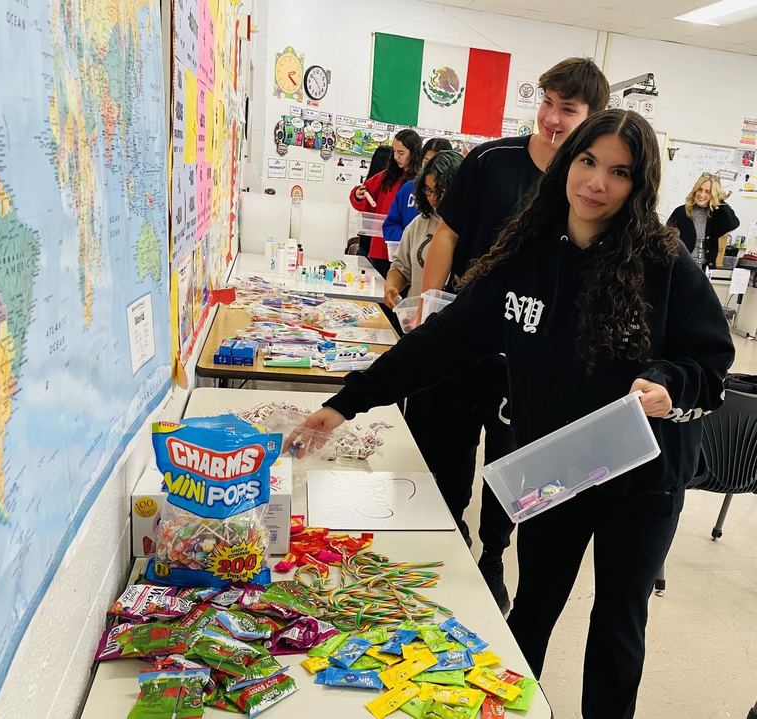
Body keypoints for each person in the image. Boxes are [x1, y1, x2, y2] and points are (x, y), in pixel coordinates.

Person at [288, 110, 735, 719]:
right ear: (567, 161)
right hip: (557, 467)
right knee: (533, 607)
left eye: (619, 172)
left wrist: (665, 384)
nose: (597, 182)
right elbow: (444, 341)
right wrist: (348, 401)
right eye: (587, 161)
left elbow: (710, 369)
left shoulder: (666, 263)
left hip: (643, 478)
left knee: (617, 624)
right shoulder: (526, 253)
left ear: (640, 184)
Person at [415, 57, 610, 611]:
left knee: (511, 467)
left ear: (591, 117)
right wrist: (431, 314)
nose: (550, 118)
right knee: (445, 456)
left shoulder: (587, 187)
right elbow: (446, 238)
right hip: (464, 342)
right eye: (546, 103)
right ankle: (447, 539)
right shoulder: (490, 160)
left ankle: (493, 556)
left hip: (530, 361)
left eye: (566, 110)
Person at [384, 150, 462, 308]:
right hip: (417, 319)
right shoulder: (419, 223)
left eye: (440, 191)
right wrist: (392, 287)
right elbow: (400, 268)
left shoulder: (473, 228)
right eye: (428, 190)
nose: (433, 198)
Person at [349, 129, 423, 276]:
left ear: (414, 153)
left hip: (407, 250)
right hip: (380, 248)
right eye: (394, 152)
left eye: (401, 153)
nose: (396, 157)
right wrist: (358, 195)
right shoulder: (387, 176)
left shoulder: (421, 182)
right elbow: (363, 196)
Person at [383, 137, 453, 244]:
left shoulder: (454, 194)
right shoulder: (408, 189)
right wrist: (408, 241)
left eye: (437, 163)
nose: (431, 167)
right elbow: (390, 225)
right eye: (427, 162)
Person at [667, 173, 739, 269]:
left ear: (714, 194)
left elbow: (733, 223)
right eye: (700, 189)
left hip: (705, 269)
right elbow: (666, 240)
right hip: (682, 268)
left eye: (708, 192)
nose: (702, 194)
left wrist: (720, 201)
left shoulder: (716, 215)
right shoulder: (680, 212)